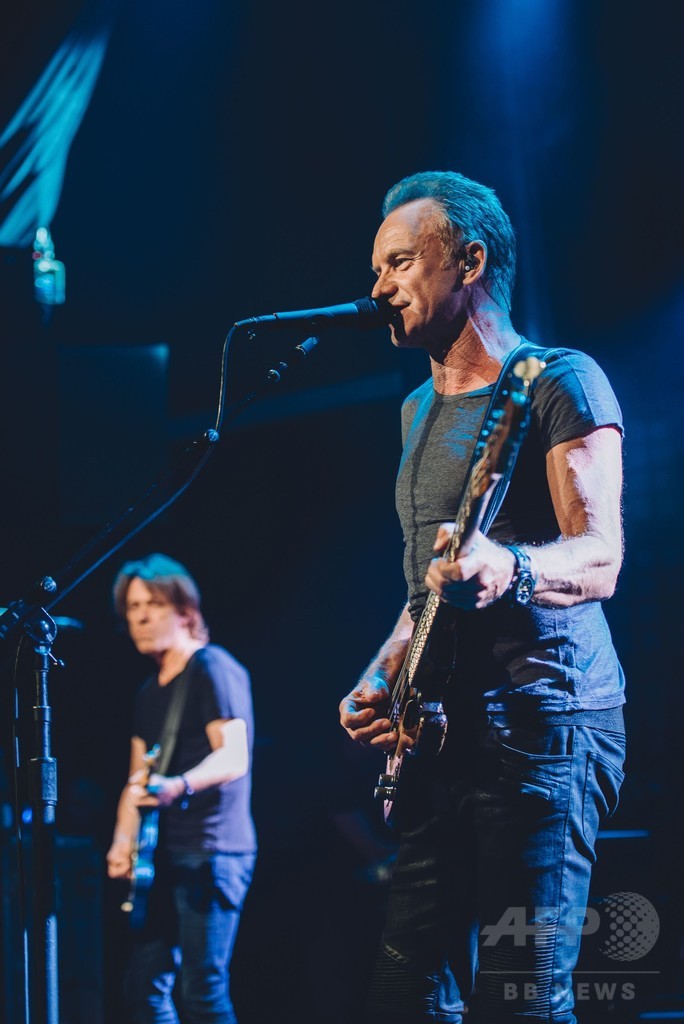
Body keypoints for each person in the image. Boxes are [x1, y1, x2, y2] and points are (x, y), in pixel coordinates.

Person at [339, 170, 626, 1024]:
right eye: (375, 270)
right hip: (439, 735)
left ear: (468, 262)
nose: (379, 288)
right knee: (406, 997)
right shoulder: (415, 408)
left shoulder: (559, 380)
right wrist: (383, 672)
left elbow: (602, 556)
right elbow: (428, 584)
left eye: (398, 263)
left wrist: (513, 568)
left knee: (521, 999)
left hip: (544, 727)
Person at [106, 553, 256, 1024]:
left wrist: (178, 786)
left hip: (211, 851)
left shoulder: (212, 667)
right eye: (132, 607)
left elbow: (234, 756)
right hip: (163, 856)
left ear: (186, 612)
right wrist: (122, 841)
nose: (140, 617)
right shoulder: (149, 691)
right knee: (143, 989)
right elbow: (137, 778)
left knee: (202, 992)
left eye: (153, 604)